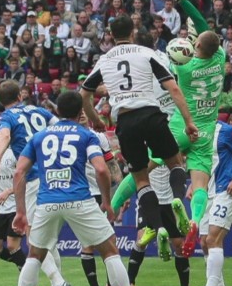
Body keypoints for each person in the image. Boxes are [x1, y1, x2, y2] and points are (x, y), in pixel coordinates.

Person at [110, 0, 224, 258]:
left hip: (182, 126)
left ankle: (111, 207)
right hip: (207, 129)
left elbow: (172, 64)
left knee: (143, 169)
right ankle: (195, 220)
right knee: (199, 182)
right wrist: (183, 0)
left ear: (195, 48)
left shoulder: (183, 69)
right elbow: (203, 26)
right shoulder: (220, 58)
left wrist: (177, 47)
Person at [80, 14, 197, 262]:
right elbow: (173, 88)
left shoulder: (105, 59)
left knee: (141, 179)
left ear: (110, 34)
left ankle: (156, 226)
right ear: (132, 32)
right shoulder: (146, 53)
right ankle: (177, 200)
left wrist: (96, 120)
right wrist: (188, 121)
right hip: (152, 115)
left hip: (126, 120)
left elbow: (84, 94)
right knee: (175, 162)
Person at [11, 91, 136, 286]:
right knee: (110, 250)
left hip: (47, 201)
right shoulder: (86, 135)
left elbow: (19, 172)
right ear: (81, 112)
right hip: (79, 199)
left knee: (34, 256)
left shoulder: (39, 136)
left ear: (56, 111)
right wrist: (107, 202)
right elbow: (101, 169)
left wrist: (20, 211)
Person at [0, 80, 70, 286]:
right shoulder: (39, 110)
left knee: (36, 236)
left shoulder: (6, 118)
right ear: (20, 95)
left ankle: (58, 282)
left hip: (33, 178)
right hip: (55, 174)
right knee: (49, 238)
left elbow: (3, 136)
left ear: (1, 102)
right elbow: (60, 126)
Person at [183, 121, 232, 286]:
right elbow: (197, 162)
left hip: (225, 190)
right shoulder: (194, 131)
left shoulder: (226, 131)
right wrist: (193, 185)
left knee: (213, 239)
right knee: (204, 241)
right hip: (204, 192)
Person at [77, 111, 123, 286]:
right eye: (77, 111)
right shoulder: (66, 137)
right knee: (88, 243)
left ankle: (111, 285)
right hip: (81, 195)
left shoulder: (99, 137)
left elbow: (111, 165)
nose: (81, 114)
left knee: (109, 240)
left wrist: (121, 190)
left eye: (83, 112)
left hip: (101, 194)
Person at [0, 135, 26, 272]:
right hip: (1, 208)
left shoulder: (16, 151)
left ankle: (27, 280)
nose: (0, 133)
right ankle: (25, 266)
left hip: (17, 205)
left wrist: (9, 191)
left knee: (13, 246)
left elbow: (26, 178)